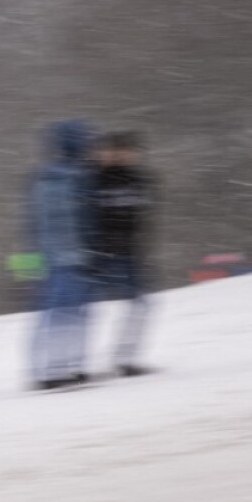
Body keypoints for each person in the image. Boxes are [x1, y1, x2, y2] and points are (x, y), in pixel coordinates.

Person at [28, 119, 95, 390]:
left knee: (60, 313)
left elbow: (32, 222)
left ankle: (61, 366)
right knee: (67, 313)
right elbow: (85, 219)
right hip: (70, 258)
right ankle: (57, 367)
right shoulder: (78, 177)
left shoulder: (45, 176)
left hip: (58, 258)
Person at [90, 131, 154, 377]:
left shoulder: (138, 179)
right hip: (101, 254)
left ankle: (126, 358)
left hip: (129, 252)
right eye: (117, 151)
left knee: (142, 304)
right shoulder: (96, 180)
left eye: (129, 151)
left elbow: (140, 218)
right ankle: (76, 363)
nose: (123, 155)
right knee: (90, 309)